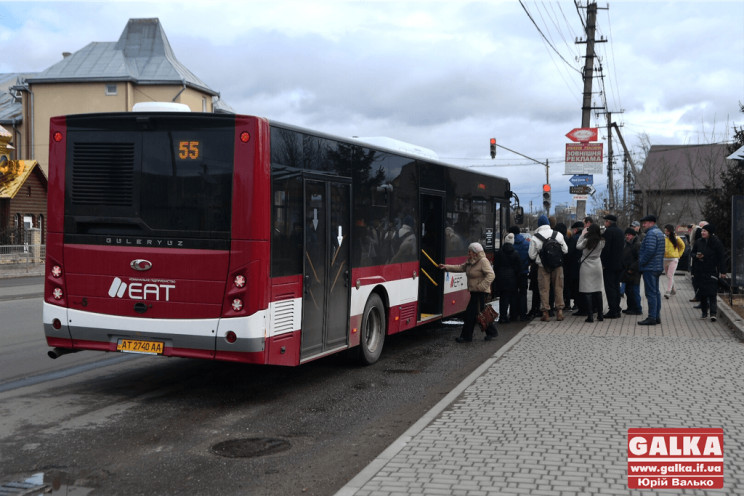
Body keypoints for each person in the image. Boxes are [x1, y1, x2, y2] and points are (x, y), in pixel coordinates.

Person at [439, 242, 495, 342]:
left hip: (480, 292)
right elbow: (461, 267)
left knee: (470, 314)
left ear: (475, 252)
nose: (468, 253)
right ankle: (491, 332)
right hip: (474, 292)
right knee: (480, 313)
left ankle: (466, 337)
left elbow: (491, 275)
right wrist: (446, 267)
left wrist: (481, 286)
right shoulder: (471, 261)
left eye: (470, 252)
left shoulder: (483, 261)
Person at [528, 215, 568, 322]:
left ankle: (545, 312)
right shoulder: (558, 234)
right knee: (558, 287)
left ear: (539, 225)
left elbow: (531, 255)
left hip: (542, 266)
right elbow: (565, 250)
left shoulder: (535, 237)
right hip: (558, 266)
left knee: (544, 289)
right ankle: (559, 312)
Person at [691, 224, 727, 321]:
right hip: (700, 270)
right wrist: (696, 256)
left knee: (712, 292)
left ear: (710, 233)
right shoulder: (698, 242)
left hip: (712, 270)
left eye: (705, 231)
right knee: (702, 292)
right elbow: (692, 253)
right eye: (702, 231)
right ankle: (704, 312)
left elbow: (721, 258)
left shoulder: (716, 243)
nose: (702, 233)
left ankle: (713, 313)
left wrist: (723, 271)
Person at [638, 214, 665, 326]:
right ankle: (656, 316)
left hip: (650, 267)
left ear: (652, 223)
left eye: (645, 223)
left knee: (650, 293)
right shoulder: (659, 232)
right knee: (656, 292)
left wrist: (641, 261)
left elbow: (649, 250)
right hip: (657, 266)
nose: (643, 225)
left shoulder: (651, 234)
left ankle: (652, 317)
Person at [576, 223, 605, 322]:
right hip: (597, 265)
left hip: (586, 266)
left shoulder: (586, 241)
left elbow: (578, 246)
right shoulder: (602, 241)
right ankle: (600, 315)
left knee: (587, 291)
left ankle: (590, 316)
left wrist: (582, 235)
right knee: (598, 290)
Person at [492, 233, 522, 325]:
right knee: (513, 297)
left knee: (503, 298)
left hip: (501, 278)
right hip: (512, 278)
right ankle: (513, 315)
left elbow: (495, 266)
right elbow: (518, 268)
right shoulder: (515, 253)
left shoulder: (499, 253)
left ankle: (503, 317)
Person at [600, 214, 624, 318]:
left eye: (605, 221)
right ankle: (617, 308)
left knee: (609, 288)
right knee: (616, 287)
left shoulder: (608, 232)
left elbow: (606, 249)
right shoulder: (620, 232)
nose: (604, 223)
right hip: (619, 264)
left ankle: (613, 310)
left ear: (608, 222)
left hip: (609, 265)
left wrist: (603, 263)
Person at [508, 225, 530, 321]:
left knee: (513, 293)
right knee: (523, 293)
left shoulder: (510, 244)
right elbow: (530, 257)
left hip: (512, 273)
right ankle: (523, 314)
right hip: (523, 272)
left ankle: (513, 314)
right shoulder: (526, 243)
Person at [620, 227, 643, 315]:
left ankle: (637, 308)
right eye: (626, 235)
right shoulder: (627, 244)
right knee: (628, 291)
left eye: (628, 235)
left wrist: (631, 269)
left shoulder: (637, 244)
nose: (627, 236)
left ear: (633, 235)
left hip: (634, 272)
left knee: (634, 291)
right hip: (627, 271)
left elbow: (639, 259)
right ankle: (630, 307)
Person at [565, 222, 584, 314]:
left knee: (576, 286)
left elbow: (569, 253)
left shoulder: (573, 238)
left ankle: (578, 304)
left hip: (574, 266)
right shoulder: (586, 237)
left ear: (576, 229)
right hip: (584, 265)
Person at [663, 224, 685, 299]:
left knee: (670, 275)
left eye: (667, 231)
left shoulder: (676, 238)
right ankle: (673, 289)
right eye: (665, 230)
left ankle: (668, 291)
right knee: (668, 275)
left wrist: (679, 255)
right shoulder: (663, 238)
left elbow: (682, 246)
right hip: (665, 259)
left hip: (673, 259)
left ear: (670, 231)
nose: (665, 232)